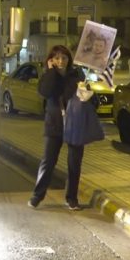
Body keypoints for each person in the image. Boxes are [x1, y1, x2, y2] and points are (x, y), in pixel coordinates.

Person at [28, 45, 86, 210]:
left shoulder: (77, 76)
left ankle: (72, 198)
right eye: (57, 58)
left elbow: (81, 98)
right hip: (54, 124)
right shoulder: (47, 76)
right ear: (51, 60)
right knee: (48, 161)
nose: (61, 61)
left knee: (74, 164)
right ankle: (37, 196)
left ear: (69, 60)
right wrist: (52, 72)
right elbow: (45, 92)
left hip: (75, 124)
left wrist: (86, 93)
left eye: (64, 58)